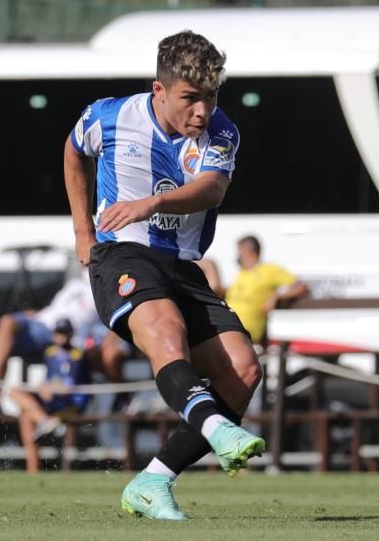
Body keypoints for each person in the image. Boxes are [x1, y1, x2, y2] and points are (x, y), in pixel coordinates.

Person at [64, 30, 265, 521]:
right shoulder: (109, 116)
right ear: (159, 90)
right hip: (121, 255)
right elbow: (73, 152)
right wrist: (82, 231)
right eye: (190, 98)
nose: (202, 110)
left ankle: (153, 480)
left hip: (180, 266)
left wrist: (152, 202)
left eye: (210, 97)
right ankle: (218, 429)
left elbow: (212, 189)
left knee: (243, 370)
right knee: (166, 330)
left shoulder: (221, 131)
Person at [0, 267, 124, 412]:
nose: (82, 263)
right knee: (5, 325)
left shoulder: (106, 290)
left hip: (71, 344)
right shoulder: (76, 283)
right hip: (43, 323)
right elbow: (57, 309)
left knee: (24, 401)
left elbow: (110, 322)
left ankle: (43, 419)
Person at [9, 319, 91, 473]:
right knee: (15, 394)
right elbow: (49, 378)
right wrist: (43, 387)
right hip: (52, 400)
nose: (62, 336)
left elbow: (70, 385)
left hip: (70, 403)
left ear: (71, 335)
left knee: (26, 416)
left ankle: (43, 425)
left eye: (65, 333)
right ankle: (44, 423)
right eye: (59, 333)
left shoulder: (77, 355)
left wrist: (50, 388)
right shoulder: (50, 353)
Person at [223, 235, 310, 346]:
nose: (238, 255)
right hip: (227, 326)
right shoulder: (242, 273)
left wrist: (276, 296)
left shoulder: (269, 270)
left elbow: (302, 287)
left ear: (249, 251)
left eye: (240, 251)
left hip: (245, 330)